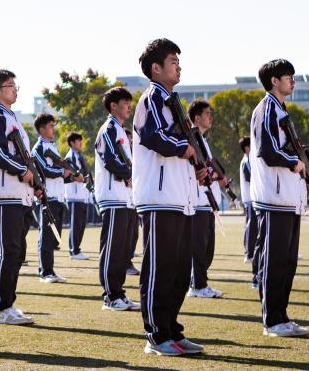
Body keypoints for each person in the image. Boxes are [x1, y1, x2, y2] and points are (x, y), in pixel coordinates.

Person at [133, 39, 206, 356]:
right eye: (173, 61)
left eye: (178, 61)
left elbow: (185, 142)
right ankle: (156, 336)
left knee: (179, 271)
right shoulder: (151, 98)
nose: (179, 66)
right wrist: (184, 148)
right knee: (159, 269)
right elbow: (153, 136)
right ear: (156, 68)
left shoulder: (172, 102)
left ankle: (172, 330)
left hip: (181, 198)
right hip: (159, 197)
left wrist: (197, 168)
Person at [250, 59, 309, 337]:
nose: (293, 81)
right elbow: (267, 150)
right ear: (274, 81)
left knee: (287, 262)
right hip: (273, 199)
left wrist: (304, 181)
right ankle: (272, 321)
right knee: (274, 262)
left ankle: (281, 316)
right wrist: (294, 163)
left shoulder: (280, 109)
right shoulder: (266, 108)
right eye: (288, 76)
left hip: (288, 198)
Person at [0, 68, 36, 325]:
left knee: (17, 251)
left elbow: (25, 156)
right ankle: (1, 308)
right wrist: (22, 171)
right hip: (5, 194)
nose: (15, 90)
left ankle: (8, 304)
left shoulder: (11, 118)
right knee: (8, 251)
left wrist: (35, 183)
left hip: (19, 194)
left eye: (15, 85)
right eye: (9, 85)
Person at [94, 86, 140, 312]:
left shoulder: (120, 130)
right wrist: (129, 175)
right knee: (112, 249)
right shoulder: (108, 129)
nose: (129, 107)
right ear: (113, 106)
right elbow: (110, 159)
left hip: (126, 198)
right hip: (113, 197)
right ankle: (110, 296)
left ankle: (119, 293)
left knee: (123, 250)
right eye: (125, 103)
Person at [32, 113, 78, 283]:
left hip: (57, 196)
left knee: (52, 236)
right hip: (46, 196)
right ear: (42, 129)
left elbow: (59, 173)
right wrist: (62, 172)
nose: (53, 129)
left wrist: (72, 176)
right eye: (51, 126)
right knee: (46, 235)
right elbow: (43, 170)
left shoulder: (52, 146)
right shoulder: (38, 148)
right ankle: (45, 272)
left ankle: (50, 270)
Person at [185, 100, 224, 299]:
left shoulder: (203, 139)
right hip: (198, 200)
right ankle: (198, 285)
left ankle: (198, 282)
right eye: (207, 113)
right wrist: (213, 174)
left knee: (208, 248)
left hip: (207, 202)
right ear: (197, 117)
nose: (211, 117)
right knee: (199, 248)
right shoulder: (192, 138)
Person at [64, 132, 90, 260]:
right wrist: (79, 178)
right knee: (76, 224)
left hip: (82, 194)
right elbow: (69, 175)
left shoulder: (79, 156)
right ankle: (74, 251)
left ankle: (77, 249)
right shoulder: (69, 157)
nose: (80, 143)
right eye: (78, 141)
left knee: (81, 224)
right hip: (74, 195)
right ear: (72, 143)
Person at [237, 136, 258, 288]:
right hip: (251, 200)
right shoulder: (248, 159)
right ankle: (249, 253)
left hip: (250, 200)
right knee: (252, 228)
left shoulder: (249, 159)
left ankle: (249, 252)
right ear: (247, 148)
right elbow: (251, 177)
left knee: (252, 227)